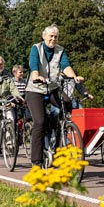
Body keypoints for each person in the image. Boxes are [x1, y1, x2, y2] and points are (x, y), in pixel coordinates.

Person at [25, 24, 84, 167]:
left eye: (56, 36)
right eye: (51, 36)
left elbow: (65, 65)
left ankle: (58, 143)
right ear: (44, 36)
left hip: (52, 87)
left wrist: (74, 77)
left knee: (67, 105)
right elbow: (34, 64)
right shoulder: (36, 48)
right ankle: (36, 161)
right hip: (35, 89)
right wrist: (36, 75)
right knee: (39, 121)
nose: (53, 39)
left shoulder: (60, 50)